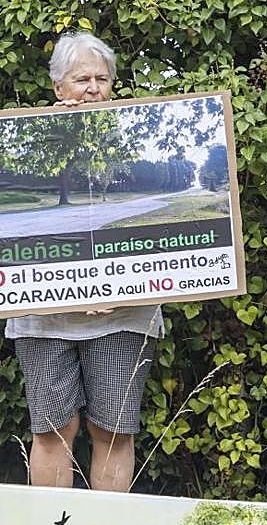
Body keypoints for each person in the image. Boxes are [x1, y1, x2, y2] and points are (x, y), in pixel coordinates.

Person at [5, 32, 162, 491]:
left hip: (124, 315)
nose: (93, 88)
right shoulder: (23, 141)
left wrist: (117, 286)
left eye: (102, 78)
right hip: (44, 315)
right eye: (81, 79)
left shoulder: (135, 134)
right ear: (58, 87)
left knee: (113, 431)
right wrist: (46, 135)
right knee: (52, 430)